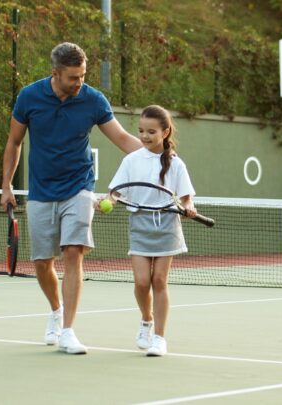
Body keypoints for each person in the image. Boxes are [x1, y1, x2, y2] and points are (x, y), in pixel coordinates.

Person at [0, 42, 141, 354]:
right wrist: (7, 185)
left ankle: (68, 331)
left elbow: (120, 137)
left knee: (73, 252)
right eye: (73, 77)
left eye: (83, 76)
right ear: (56, 74)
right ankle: (55, 310)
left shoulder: (92, 100)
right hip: (40, 191)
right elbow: (14, 142)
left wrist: (157, 154)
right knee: (41, 262)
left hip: (79, 187)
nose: (79, 82)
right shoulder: (29, 97)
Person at [104, 105, 197, 357]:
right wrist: (109, 201)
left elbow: (187, 198)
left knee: (159, 281)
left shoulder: (176, 163)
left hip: (167, 225)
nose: (144, 136)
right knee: (141, 282)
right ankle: (146, 320)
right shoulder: (131, 160)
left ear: (165, 132)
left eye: (151, 132)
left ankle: (159, 337)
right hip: (140, 224)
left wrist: (188, 207)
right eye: (141, 131)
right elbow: (115, 192)